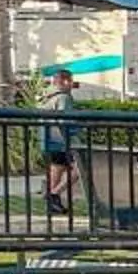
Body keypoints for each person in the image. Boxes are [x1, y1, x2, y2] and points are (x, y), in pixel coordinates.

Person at [41, 69, 78, 214]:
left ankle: (52, 204)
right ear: (64, 81)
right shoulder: (63, 98)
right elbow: (64, 120)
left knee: (57, 169)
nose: (72, 84)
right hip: (61, 140)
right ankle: (54, 194)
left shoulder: (47, 97)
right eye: (70, 81)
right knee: (80, 169)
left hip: (49, 140)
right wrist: (76, 131)